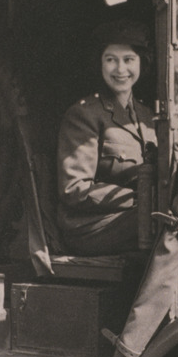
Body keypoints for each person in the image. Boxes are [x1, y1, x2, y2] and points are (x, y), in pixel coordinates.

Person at [56, 19, 157, 256]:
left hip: (131, 218)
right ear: (99, 64)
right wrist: (138, 200)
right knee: (164, 221)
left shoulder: (148, 116)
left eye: (129, 60)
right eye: (110, 59)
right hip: (91, 227)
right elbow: (74, 188)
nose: (120, 69)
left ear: (142, 62)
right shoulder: (84, 114)